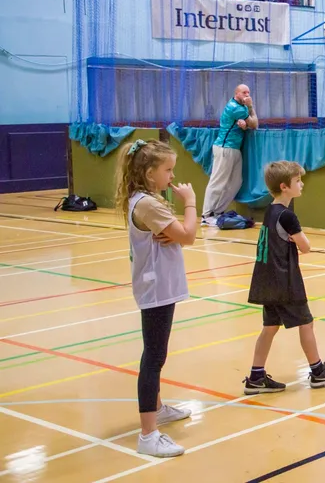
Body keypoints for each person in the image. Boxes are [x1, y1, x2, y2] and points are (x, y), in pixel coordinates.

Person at [115, 139, 196, 457]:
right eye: (168, 170)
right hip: (156, 288)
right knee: (153, 358)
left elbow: (179, 234)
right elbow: (188, 235)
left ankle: (158, 408)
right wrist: (189, 202)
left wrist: (176, 229)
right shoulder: (148, 204)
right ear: (149, 173)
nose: (172, 177)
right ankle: (148, 435)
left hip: (160, 285)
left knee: (155, 355)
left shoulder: (146, 200)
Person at [242, 161, 325, 394]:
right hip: (284, 280)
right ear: (284, 186)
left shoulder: (270, 211)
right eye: (298, 181)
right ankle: (318, 372)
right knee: (306, 323)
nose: (302, 184)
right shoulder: (287, 216)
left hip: (267, 280)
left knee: (269, 328)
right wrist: (297, 239)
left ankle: (256, 376)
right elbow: (306, 246)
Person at [201, 84, 258, 222]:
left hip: (235, 148)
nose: (247, 95)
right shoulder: (235, 107)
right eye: (244, 92)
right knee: (218, 181)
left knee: (236, 182)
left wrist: (244, 126)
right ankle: (206, 215)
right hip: (224, 148)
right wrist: (251, 107)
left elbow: (247, 125)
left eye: (248, 92)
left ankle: (218, 212)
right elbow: (255, 124)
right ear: (236, 93)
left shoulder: (241, 107)